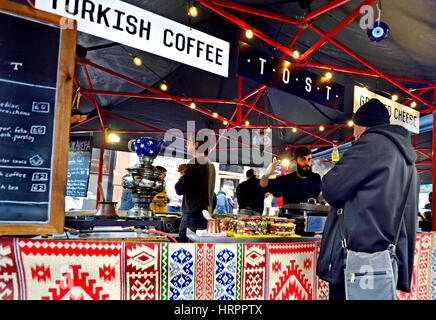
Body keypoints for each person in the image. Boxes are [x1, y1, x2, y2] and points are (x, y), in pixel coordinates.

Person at [316, 98, 418, 300]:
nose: (354, 135)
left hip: (355, 256)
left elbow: (331, 188)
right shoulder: (408, 158)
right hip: (386, 258)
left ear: (361, 126)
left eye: (354, 128)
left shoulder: (369, 144)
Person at [259, 146, 322, 218]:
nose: (307, 163)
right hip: (289, 219)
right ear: (295, 162)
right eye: (303, 159)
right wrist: (267, 175)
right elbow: (262, 186)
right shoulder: (287, 179)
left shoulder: (316, 178)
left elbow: (320, 197)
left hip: (313, 219)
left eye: (309, 159)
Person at [175, 134, 216, 242]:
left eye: (189, 141)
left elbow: (179, 189)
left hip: (191, 217)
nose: (186, 145)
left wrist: (182, 176)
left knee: (185, 252)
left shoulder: (195, 163)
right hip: (204, 215)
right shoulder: (210, 165)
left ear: (197, 145)